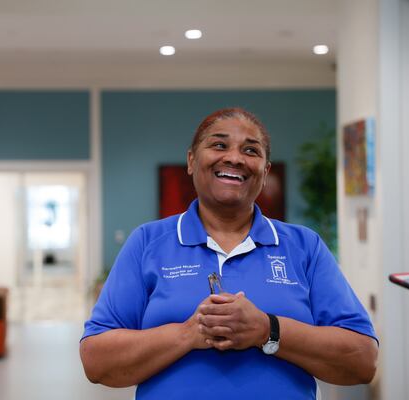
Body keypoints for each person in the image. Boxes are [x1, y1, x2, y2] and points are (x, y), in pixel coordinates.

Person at [80, 108, 378, 399]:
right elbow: (97, 360)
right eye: (219, 145)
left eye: (251, 151)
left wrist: (267, 329)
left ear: (265, 171)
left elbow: (362, 360)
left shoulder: (303, 246)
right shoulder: (147, 242)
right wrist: (190, 333)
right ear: (191, 160)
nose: (235, 158)